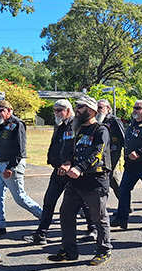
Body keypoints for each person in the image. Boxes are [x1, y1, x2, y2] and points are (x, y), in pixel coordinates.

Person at [48, 96, 112, 265]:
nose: (77, 110)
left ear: (91, 110)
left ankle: (104, 250)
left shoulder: (101, 130)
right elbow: (69, 150)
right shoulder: (77, 130)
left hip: (95, 180)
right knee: (66, 213)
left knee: (99, 217)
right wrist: (67, 163)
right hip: (75, 182)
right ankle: (69, 251)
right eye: (76, 107)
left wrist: (80, 168)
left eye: (81, 107)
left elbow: (98, 153)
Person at [23, 99, 91, 245]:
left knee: (83, 201)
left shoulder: (77, 125)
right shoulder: (59, 125)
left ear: (68, 110)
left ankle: (93, 229)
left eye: (59, 110)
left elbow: (79, 147)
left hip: (72, 171)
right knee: (49, 201)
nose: (56, 113)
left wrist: (70, 164)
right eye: (55, 110)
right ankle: (41, 234)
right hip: (58, 170)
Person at [0, 100, 43, 238]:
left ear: (9, 110)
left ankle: (44, 218)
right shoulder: (4, 124)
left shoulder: (17, 124)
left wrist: (11, 167)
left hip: (11, 165)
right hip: (0, 165)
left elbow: (20, 149)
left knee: (20, 197)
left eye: (0, 110)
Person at [111, 99, 142, 229]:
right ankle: (122, 218)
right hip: (131, 165)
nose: (135, 110)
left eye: (138, 108)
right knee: (123, 190)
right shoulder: (132, 123)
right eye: (134, 108)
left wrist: (139, 152)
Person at [97, 99, 125, 202]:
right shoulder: (97, 120)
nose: (98, 110)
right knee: (111, 179)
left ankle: (125, 203)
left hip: (113, 152)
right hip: (101, 153)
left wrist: (126, 153)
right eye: (97, 108)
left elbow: (123, 137)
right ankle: (124, 203)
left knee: (108, 176)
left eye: (100, 107)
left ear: (108, 108)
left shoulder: (114, 120)